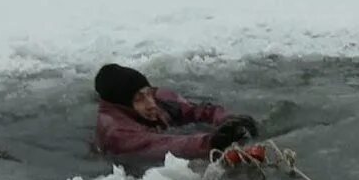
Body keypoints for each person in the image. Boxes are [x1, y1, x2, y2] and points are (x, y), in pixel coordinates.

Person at [93, 63, 259, 162]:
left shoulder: (160, 100)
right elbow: (159, 145)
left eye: (148, 93)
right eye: (139, 99)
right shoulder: (117, 132)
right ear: (123, 104)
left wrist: (229, 120)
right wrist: (210, 142)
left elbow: (198, 111)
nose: (151, 103)